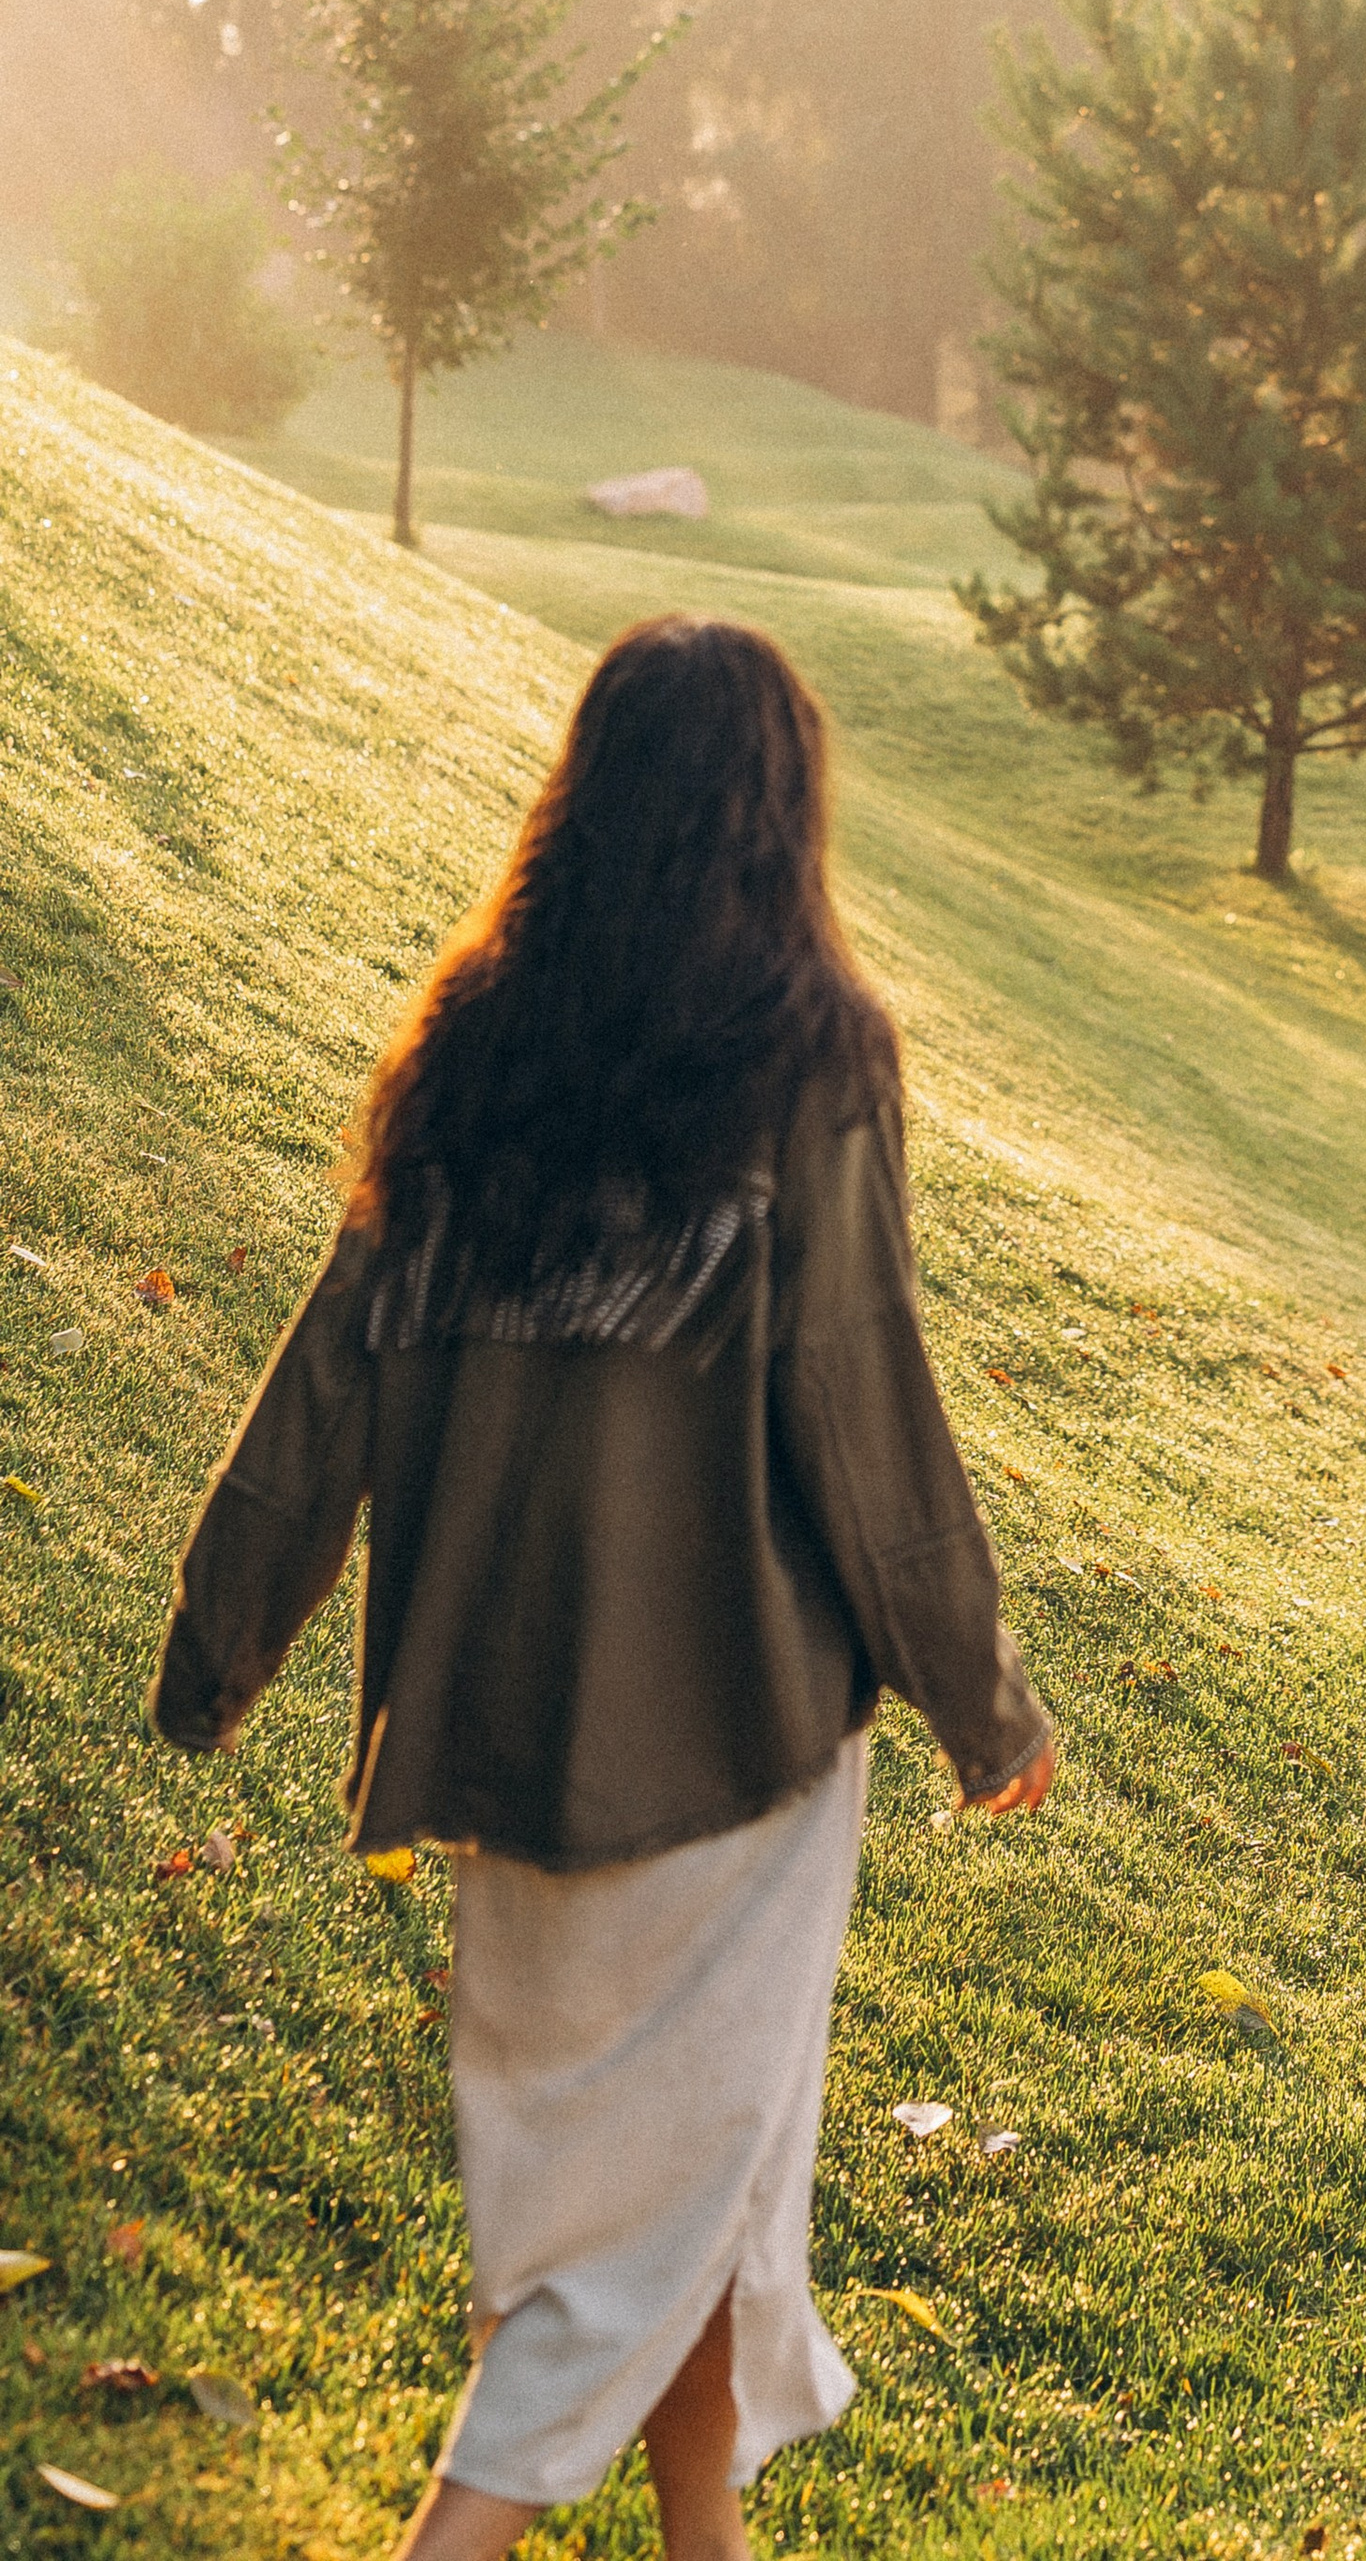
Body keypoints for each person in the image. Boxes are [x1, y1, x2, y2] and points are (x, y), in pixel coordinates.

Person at [149, 614, 1055, 2560]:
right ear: (776, 815)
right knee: (619, 2243)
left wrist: (223, 1641)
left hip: (501, 1728)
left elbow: (331, 1366)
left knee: (679, 2191)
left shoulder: (473, 1047)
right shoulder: (810, 1057)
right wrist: (981, 1700)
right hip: (733, 1746)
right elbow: (861, 1401)